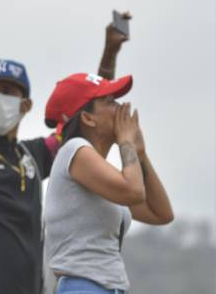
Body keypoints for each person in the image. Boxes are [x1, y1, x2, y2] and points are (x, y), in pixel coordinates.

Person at [0, 19, 130, 294]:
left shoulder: (34, 155)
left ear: (26, 105)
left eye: (7, 92)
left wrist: (109, 56)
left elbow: (88, 114)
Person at [44, 73, 174, 293]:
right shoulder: (74, 150)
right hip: (82, 287)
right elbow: (134, 191)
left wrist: (141, 155)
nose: (121, 107)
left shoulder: (100, 177)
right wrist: (126, 141)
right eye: (110, 102)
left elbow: (161, 213)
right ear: (87, 118)